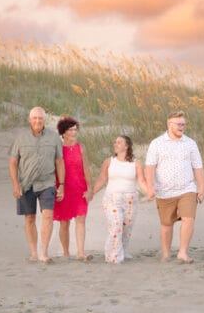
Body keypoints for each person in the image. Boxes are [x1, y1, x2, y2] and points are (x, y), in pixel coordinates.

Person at [145, 111, 204, 263]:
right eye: (179, 124)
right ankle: (166, 254)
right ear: (169, 124)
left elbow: (197, 167)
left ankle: (182, 252)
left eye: (183, 124)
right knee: (166, 224)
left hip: (187, 189)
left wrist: (201, 187)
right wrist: (150, 187)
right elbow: (150, 167)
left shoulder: (190, 143)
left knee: (189, 219)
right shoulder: (157, 143)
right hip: (164, 191)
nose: (182, 127)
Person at [9, 106, 65, 263]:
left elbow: (59, 161)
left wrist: (62, 184)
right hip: (26, 184)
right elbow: (13, 162)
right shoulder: (21, 138)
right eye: (34, 118)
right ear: (29, 120)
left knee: (48, 215)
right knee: (30, 218)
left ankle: (44, 253)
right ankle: (34, 253)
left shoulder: (54, 137)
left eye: (40, 118)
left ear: (44, 120)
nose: (38, 121)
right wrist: (15, 184)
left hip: (47, 183)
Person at [91, 135, 147, 264]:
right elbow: (102, 179)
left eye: (119, 142)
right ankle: (113, 256)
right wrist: (92, 192)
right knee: (116, 225)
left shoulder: (136, 163)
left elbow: (141, 181)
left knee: (126, 228)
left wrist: (149, 192)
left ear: (127, 146)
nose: (115, 144)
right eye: (115, 142)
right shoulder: (109, 161)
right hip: (112, 198)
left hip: (130, 199)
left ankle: (121, 250)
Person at [53, 116, 92, 260]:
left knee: (81, 220)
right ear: (63, 132)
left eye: (75, 129)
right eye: (70, 130)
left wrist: (90, 188)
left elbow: (86, 169)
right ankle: (66, 252)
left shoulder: (80, 148)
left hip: (80, 188)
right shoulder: (58, 149)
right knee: (64, 222)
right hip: (63, 188)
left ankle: (81, 252)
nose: (74, 132)